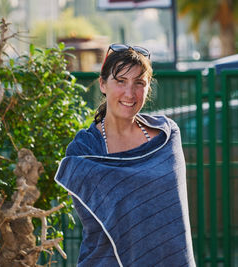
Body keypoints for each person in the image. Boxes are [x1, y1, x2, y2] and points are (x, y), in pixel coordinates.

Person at [55, 43, 196, 266]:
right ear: (103, 84)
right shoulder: (85, 151)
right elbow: (99, 223)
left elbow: (173, 217)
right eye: (120, 81)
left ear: (148, 88)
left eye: (139, 83)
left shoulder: (167, 138)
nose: (130, 93)